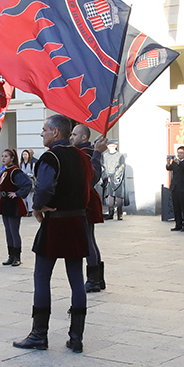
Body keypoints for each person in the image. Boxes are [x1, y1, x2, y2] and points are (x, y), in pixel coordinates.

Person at [14, 114, 91, 353]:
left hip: (56, 222)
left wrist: (37, 206)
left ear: (56, 133)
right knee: (77, 280)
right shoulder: (82, 155)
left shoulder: (50, 156)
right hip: (77, 221)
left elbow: (45, 186)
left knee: (41, 277)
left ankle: (39, 335)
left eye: (44, 129)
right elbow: (92, 180)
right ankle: (76, 337)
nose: (42, 133)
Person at [70, 123, 107, 292]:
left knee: (87, 240)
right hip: (88, 198)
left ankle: (94, 280)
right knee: (90, 239)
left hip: (86, 200)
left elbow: (92, 177)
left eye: (74, 135)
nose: (71, 137)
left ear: (84, 137)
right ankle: (98, 279)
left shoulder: (86, 153)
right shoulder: (88, 152)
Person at [0, 147, 33, 266]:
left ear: (12, 158)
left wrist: (17, 193)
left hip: (13, 203)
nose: (3, 158)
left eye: (6, 156)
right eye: (2, 156)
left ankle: (17, 256)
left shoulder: (15, 171)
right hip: (5, 202)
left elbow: (27, 184)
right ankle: (10, 255)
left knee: (14, 231)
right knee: (8, 231)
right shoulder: (5, 171)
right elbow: (0, 185)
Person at [166, 145, 184, 231]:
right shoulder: (175, 162)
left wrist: (179, 163)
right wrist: (168, 162)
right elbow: (169, 168)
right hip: (175, 188)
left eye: (181, 153)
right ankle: (178, 224)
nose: (180, 154)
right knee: (176, 207)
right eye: (178, 153)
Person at [103, 142, 126, 220]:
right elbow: (103, 166)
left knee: (119, 196)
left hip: (117, 177)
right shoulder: (105, 156)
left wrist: (116, 176)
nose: (111, 147)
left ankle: (120, 214)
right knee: (110, 196)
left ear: (116, 146)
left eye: (113, 146)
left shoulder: (120, 156)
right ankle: (111, 213)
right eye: (110, 146)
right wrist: (106, 176)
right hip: (108, 176)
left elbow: (122, 166)